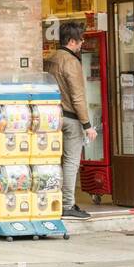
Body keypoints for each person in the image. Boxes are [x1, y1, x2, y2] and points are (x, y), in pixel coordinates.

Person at [44, 21, 97, 221]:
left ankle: (51, 200)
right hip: (70, 118)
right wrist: (87, 125)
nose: (82, 43)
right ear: (72, 41)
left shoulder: (51, 59)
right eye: (81, 40)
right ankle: (67, 204)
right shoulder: (71, 62)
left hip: (52, 116)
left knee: (52, 160)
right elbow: (77, 96)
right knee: (71, 162)